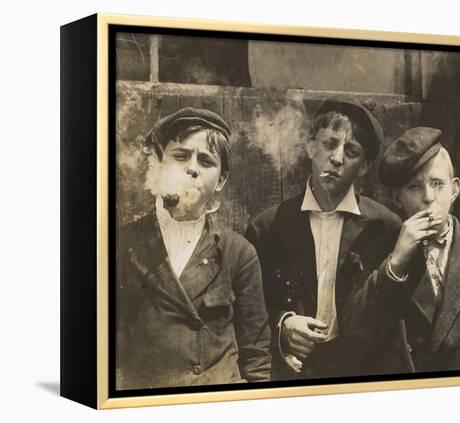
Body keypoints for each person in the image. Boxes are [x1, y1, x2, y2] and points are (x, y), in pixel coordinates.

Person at [245, 96, 401, 380]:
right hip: (293, 376)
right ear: (310, 147)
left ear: (364, 167)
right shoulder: (267, 227)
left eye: (352, 152)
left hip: (363, 374)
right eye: (329, 144)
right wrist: (284, 325)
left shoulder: (385, 228)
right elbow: (249, 309)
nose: (338, 158)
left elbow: (392, 313)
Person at [116, 107, 271, 389]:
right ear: (160, 163)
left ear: (221, 179)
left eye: (206, 161)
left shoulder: (238, 253)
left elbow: (256, 355)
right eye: (180, 156)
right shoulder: (120, 246)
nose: (192, 168)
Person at [349, 126, 460, 374]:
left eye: (437, 184)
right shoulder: (381, 253)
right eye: (414, 187)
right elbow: (357, 333)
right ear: (398, 199)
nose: (428, 197)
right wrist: (396, 262)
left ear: (454, 190)